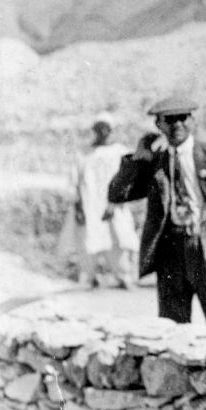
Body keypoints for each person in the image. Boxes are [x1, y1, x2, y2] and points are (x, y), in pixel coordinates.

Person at [108, 96, 206, 327]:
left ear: (192, 120)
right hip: (171, 253)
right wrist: (138, 158)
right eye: (169, 120)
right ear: (159, 125)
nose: (177, 125)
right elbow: (118, 194)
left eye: (182, 118)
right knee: (173, 332)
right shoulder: (156, 162)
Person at [60, 113, 140, 289]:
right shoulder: (84, 154)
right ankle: (90, 278)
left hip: (114, 205)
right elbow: (74, 182)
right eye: (99, 128)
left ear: (111, 130)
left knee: (119, 239)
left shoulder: (120, 151)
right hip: (90, 205)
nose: (103, 132)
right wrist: (78, 207)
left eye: (106, 128)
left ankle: (124, 276)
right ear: (94, 130)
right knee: (89, 241)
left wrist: (117, 201)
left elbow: (129, 180)